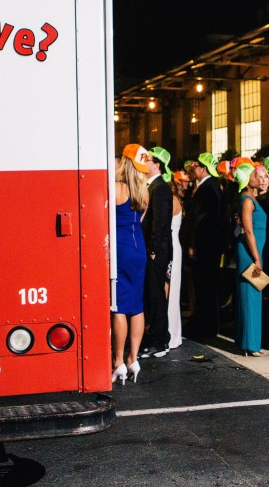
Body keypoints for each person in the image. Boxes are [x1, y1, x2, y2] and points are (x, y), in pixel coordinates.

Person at [112, 146, 150, 384]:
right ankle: (133, 358)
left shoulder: (117, 188)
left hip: (120, 249)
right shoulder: (144, 191)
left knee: (119, 306)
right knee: (137, 304)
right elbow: (141, 221)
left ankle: (117, 362)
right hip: (139, 249)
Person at [182, 152, 225, 339]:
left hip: (205, 245)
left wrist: (192, 243)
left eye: (196, 166)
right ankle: (208, 325)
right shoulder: (214, 186)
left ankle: (205, 327)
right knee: (208, 287)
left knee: (204, 287)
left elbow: (198, 219)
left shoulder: (207, 188)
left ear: (203, 168)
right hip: (211, 245)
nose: (193, 169)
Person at [140, 146, 174, 358]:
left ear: (157, 165)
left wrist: (153, 249)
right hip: (154, 250)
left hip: (157, 252)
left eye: (148, 160)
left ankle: (160, 340)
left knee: (156, 296)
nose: (144, 164)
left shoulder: (160, 188)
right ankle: (156, 337)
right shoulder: (153, 186)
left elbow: (160, 222)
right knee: (152, 295)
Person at [234, 163, 267, 356]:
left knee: (253, 294)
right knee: (250, 295)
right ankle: (250, 344)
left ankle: (248, 341)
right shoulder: (247, 200)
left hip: (254, 251)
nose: (258, 177)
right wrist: (256, 258)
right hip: (250, 253)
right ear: (247, 179)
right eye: (254, 174)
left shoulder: (251, 198)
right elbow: (248, 231)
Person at [167, 171, 186, 349]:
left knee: (171, 290)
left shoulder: (171, 201)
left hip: (171, 247)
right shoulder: (176, 200)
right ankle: (173, 332)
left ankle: (171, 333)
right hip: (174, 245)